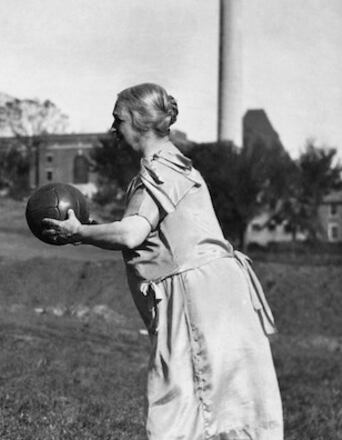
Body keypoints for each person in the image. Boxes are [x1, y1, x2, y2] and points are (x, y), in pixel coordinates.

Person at [42, 83, 283, 439]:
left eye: (118, 119)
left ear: (140, 121)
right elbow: (144, 237)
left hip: (197, 298)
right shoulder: (179, 166)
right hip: (218, 293)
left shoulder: (159, 171)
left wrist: (77, 233)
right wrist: (91, 229)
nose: (113, 128)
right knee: (227, 406)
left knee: (183, 411)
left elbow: (130, 235)